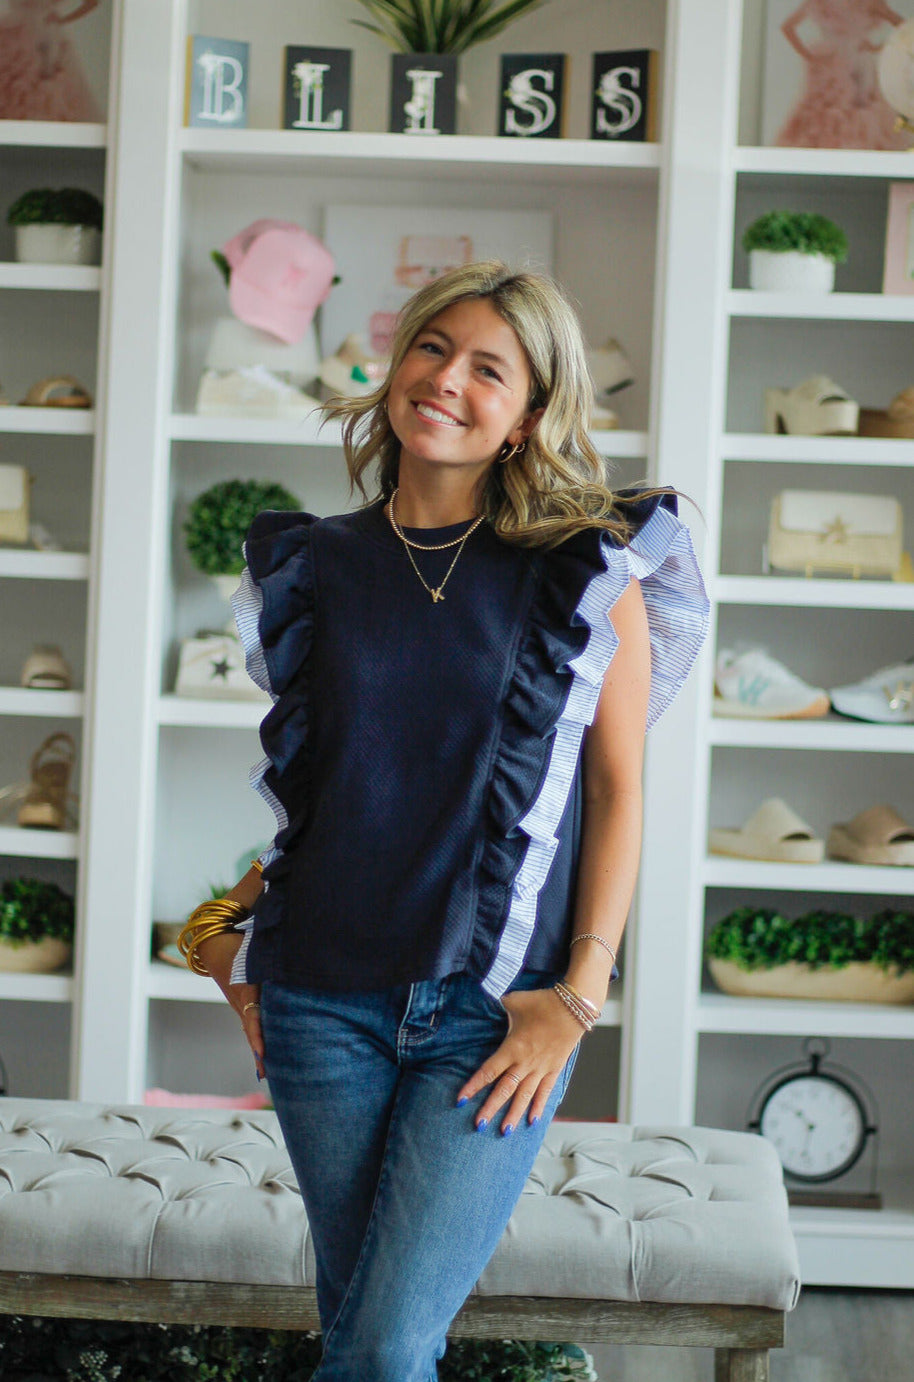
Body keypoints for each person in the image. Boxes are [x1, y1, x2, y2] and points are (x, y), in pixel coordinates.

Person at [178, 260, 708, 1382]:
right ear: (395, 366)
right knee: (369, 1335)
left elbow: (616, 790)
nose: (447, 379)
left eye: (487, 369)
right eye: (432, 346)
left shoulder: (588, 568)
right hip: (319, 1002)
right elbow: (328, 794)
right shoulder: (313, 566)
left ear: (527, 417)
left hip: (494, 1012)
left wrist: (579, 997)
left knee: (378, 1346)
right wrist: (221, 933)